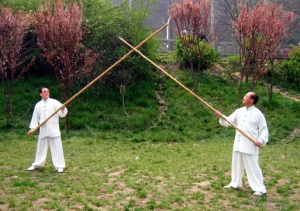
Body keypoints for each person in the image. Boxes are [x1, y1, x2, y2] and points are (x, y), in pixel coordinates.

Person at [215, 92, 269, 196]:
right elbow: (229, 121)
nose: (244, 98)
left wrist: (261, 140)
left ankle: (259, 188)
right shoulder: (239, 111)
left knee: (253, 167)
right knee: (236, 164)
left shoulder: (258, 114)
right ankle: (235, 183)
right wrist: (221, 116)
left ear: (252, 100)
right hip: (238, 143)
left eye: (246, 96)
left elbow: (264, 129)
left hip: (250, 144)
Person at [27, 87, 67, 173]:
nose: (46, 92)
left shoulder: (54, 102)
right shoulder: (38, 105)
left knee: (57, 148)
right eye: (44, 91)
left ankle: (59, 166)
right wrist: (32, 129)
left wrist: (63, 108)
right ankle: (37, 164)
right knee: (40, 148)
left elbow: (62, 114)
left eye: (48, 91)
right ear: (40, 94)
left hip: (53, 130)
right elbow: (35, 118)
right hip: (43, 130)